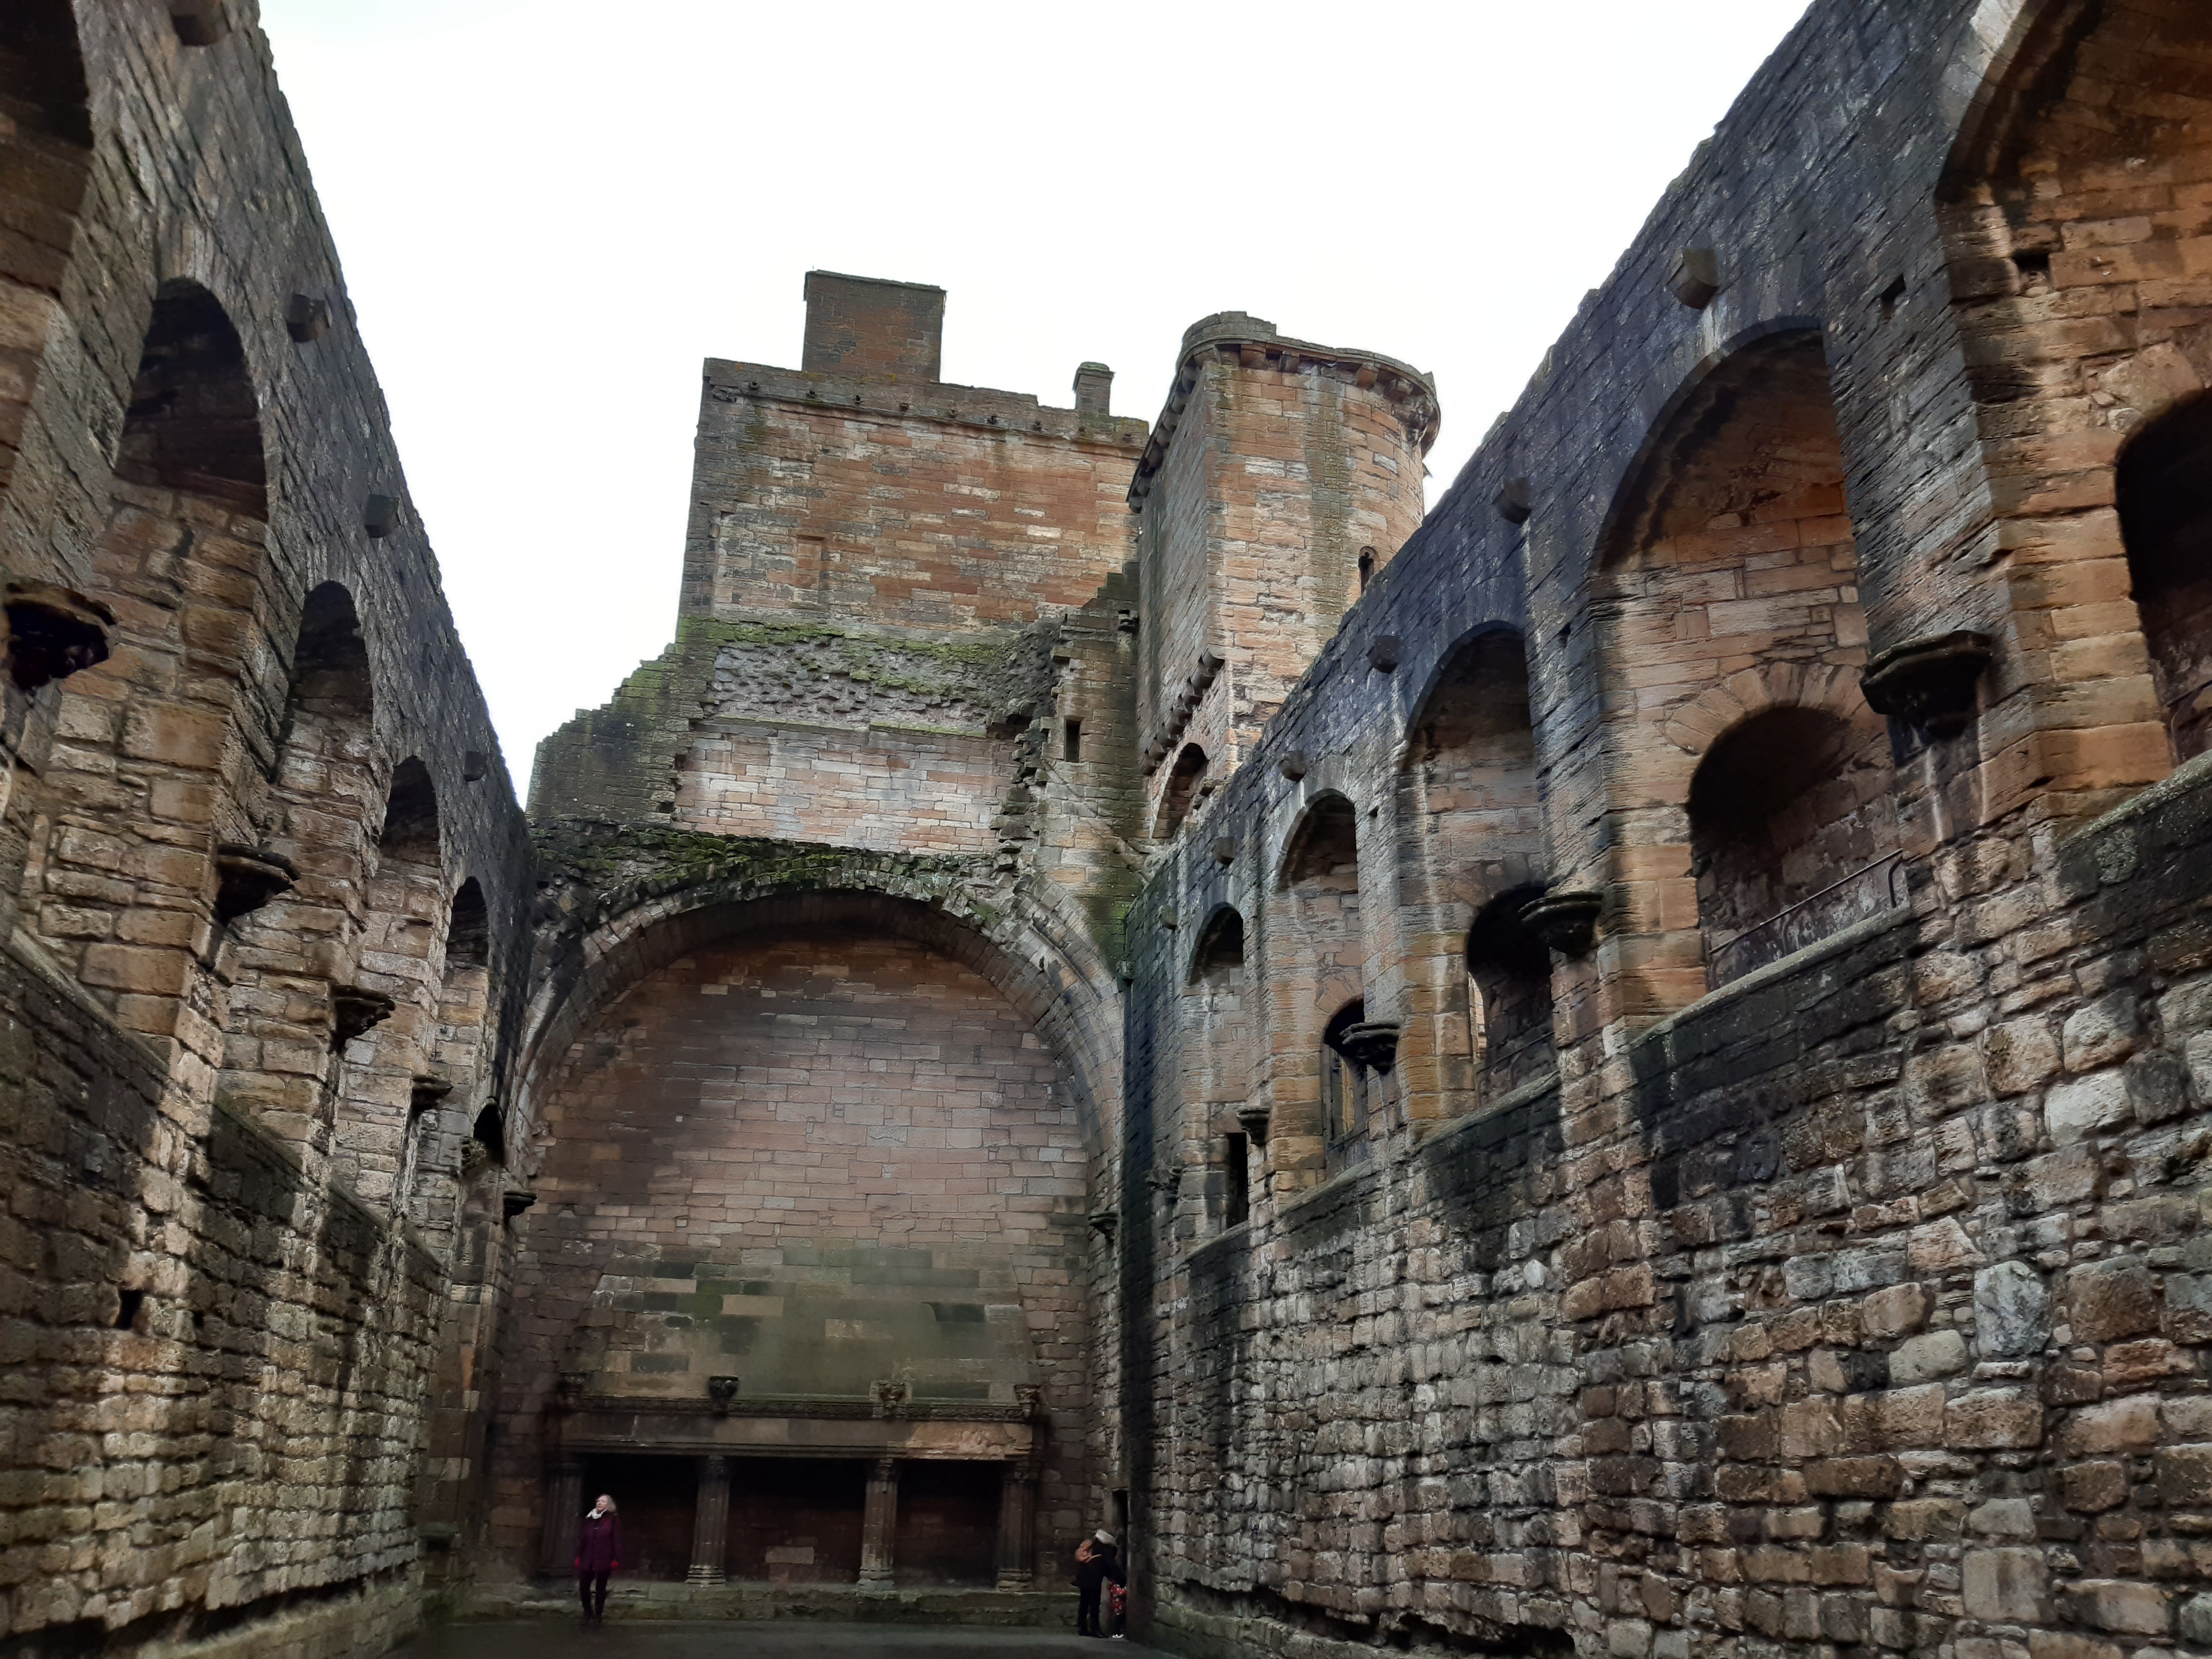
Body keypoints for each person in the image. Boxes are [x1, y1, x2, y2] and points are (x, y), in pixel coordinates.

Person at [575, 1493, 621, 1623]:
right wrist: (579, 1556)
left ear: (609, 1505)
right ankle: (588, 1613)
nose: (600, 1503)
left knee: (601, 1589)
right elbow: (583, 1539)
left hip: (604, 1559)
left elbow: (617, 1541)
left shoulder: (613, 1520)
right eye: (599, 1501)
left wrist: (616, 1559)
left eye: (603, 1501)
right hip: (588, 1559)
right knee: (584, 1587)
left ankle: (598, 1616)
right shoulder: (589, 1519)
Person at [1074, 1527, 1123, 1638]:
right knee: (1094, 1604)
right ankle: (1095, 1629)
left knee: (1084, 1603)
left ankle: (1082, 1628)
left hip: (1083, 1576)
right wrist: (1121, 1580)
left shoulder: (1092, 1545)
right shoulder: (1107, 1548)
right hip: (1094, 1578)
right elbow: (1110, 1566)